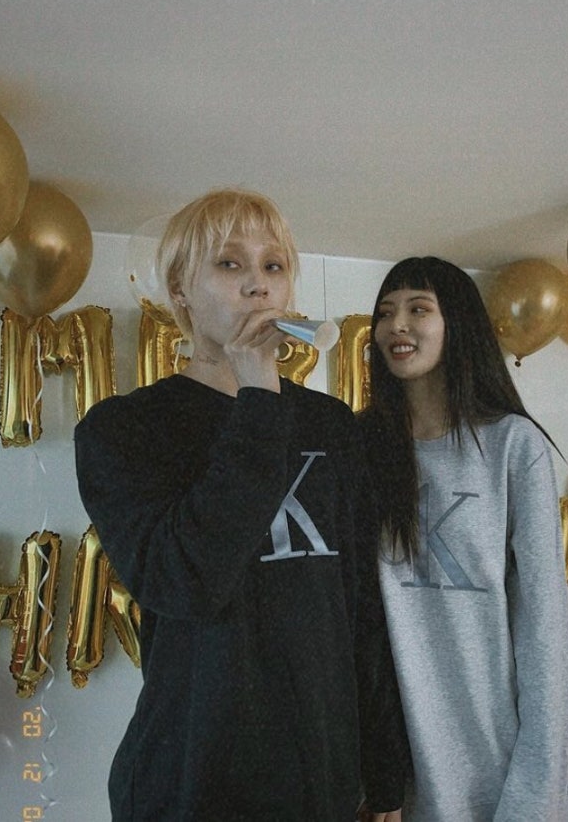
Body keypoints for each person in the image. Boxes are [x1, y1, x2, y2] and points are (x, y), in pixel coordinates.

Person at [74, 188, 403, 821]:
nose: (259, 285)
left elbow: (360, 605)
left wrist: (383, 770)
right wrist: (257, 398)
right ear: (180, 291)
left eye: (273, 266)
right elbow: (186, 580)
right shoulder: (122, 430)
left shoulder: (332, 424)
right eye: (229, 264)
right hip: (191, 782)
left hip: (323, 781)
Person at [358, 256, 568, 822]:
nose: (396, 325)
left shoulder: (512, 446)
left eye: (418, 309)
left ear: (458, 323)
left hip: (497, 766)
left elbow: (543, 631)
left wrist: (536, 790)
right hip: (393, 777)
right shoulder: (361, 449)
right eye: (385, 313)